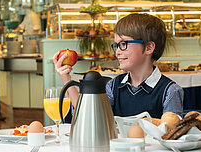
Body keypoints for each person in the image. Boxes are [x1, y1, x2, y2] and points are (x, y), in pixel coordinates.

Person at [53, 13, 183, 118]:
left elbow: (173, 135)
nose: (118, 52)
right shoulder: (114, 85)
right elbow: (89, 118)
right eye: (116, 45)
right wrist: (66, 79)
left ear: (148, 47)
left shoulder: (169, 91)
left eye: (123, 44)